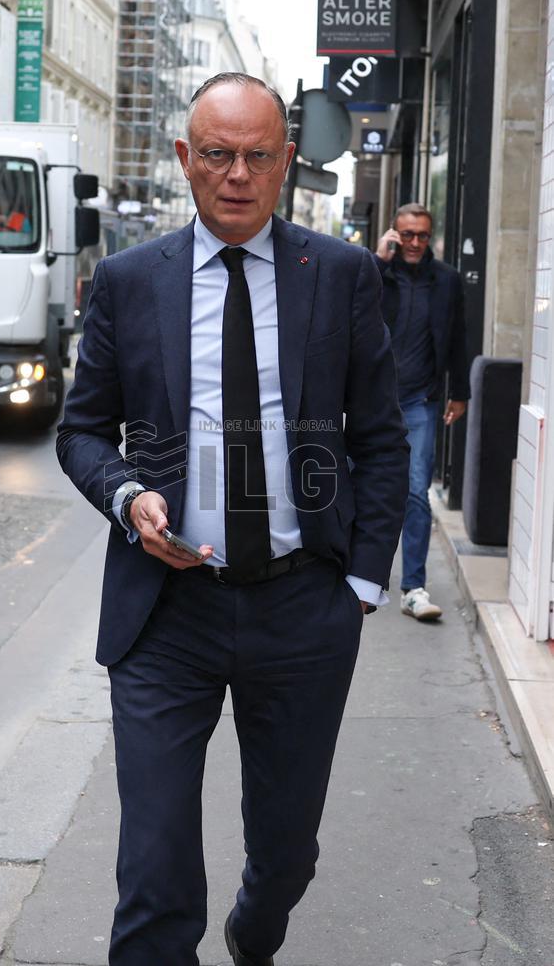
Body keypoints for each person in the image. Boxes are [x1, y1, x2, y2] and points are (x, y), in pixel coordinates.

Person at [57, 73, 409, 966]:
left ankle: (259, 925)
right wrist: (127, 497)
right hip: (165, 612)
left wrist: (363, 584)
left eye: (259, 156)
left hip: (304, 608)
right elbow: (83, 429)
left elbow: (378, 436)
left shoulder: (340, 276)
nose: (238, 175)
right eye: (218, 154)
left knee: (287, 853)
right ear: (186, 159)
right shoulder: (132, 282)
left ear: (287, 162)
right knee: (155, 875)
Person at [374, 203, 470, 622]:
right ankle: (367, 577)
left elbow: (458, 336)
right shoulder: (376, 272)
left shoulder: (445, 280)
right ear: (394, 233)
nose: (414, 243)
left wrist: (460, 391)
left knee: (416, 494)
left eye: (422, 236)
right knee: (367, 491)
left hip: (420, 402)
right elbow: (350, 314)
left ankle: (413, 587)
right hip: (370, 403)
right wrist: (379, 262)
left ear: (431, 237)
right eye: (407, 234)